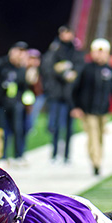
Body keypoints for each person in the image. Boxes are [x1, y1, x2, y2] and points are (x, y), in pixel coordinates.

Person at [71, 38, 112, 177]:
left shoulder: (109, 69)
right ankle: (96, 163)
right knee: (93, 136)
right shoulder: (86, 69)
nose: (100, 55)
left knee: (100, 137)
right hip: (88, 110)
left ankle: (97, 159)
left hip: (103, 110)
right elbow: (75, 89)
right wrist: (75, 107)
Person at [41, 26, 84, 165]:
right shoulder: (55, 49)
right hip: (57, 95)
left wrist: (73, 74)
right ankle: (54, 154)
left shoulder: (76, 51)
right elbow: (47, 68)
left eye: (67, 33)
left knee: (69, 128)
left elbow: (80, 68)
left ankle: (67, 155)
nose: (65, 35)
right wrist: (62, 73)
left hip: (72, 95)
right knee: (55, 126)